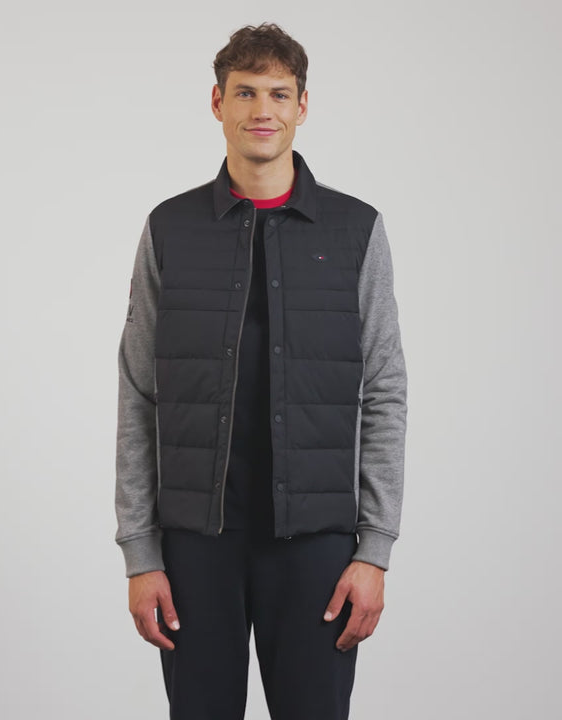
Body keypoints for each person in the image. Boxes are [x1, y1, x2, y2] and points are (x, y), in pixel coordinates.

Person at [115, 22, 408, 720]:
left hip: (317, 547)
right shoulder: (170, 228)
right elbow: (138, 391)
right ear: (218, 102)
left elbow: (384, 390)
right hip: (195, 545)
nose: (262, 110)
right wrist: (141, 554)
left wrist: (374, 550)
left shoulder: (355, 230)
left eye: (279, 93)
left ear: (303, 105)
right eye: (245, 92)